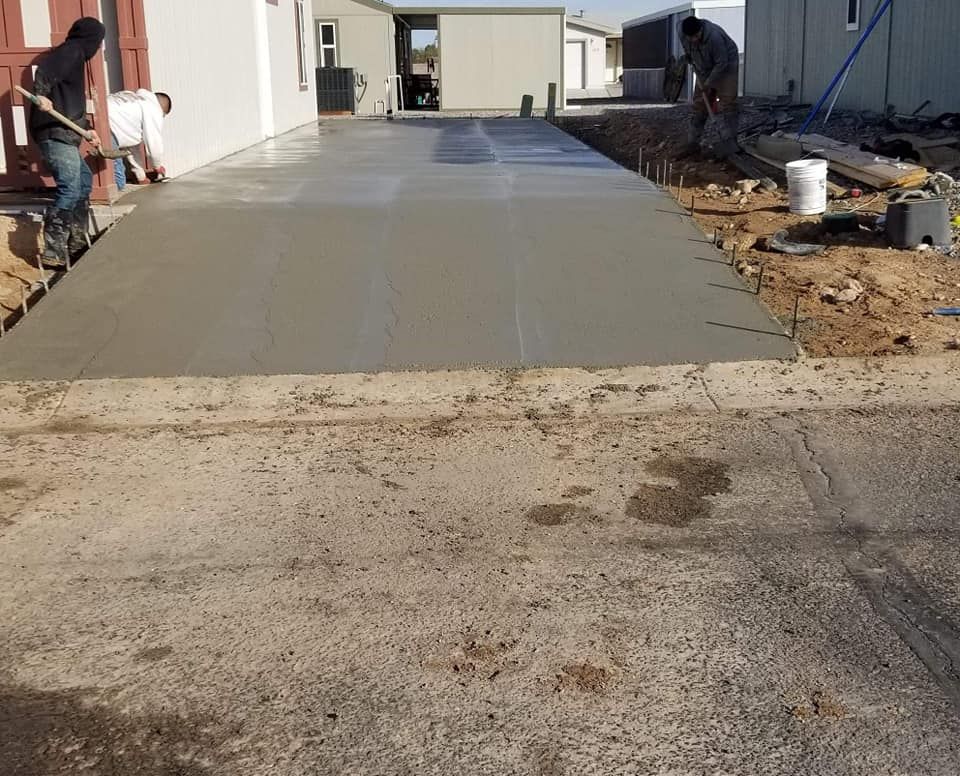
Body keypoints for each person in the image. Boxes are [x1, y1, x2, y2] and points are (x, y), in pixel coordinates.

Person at [29, 17, 106, 269]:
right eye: (99, 41)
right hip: (53, 132)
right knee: (70, 187)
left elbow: (69, 106)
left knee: (83, 182)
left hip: (67, 133)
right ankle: (53, 251)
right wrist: (41, 95)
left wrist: (88, 131)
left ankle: (76, 243)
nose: (98, 48)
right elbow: (44, 72)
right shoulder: (71, 51)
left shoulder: (75, 58)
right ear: (91, 39)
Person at [679, 15, 740, 158]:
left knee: (728, 102)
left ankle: (730, 144)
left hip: (726, 65)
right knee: (700, 103)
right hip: (703, 66)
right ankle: (692, 144)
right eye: (690, 37)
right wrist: (688, 55)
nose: (693, 39)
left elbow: (721, 63)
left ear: (701, 29)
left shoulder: (714, 37)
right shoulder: (681, 31)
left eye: (696, 36)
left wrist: (708, 84)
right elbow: (686, 45)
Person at [107, 89, 171, 189]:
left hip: (96, 116)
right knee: (118, 183)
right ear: (162, 109)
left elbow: (131, 147)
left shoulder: (134, 100)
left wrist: (141, 176)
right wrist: (158, 166)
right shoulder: (154, 110)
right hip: (106, 126)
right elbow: (154, 144)